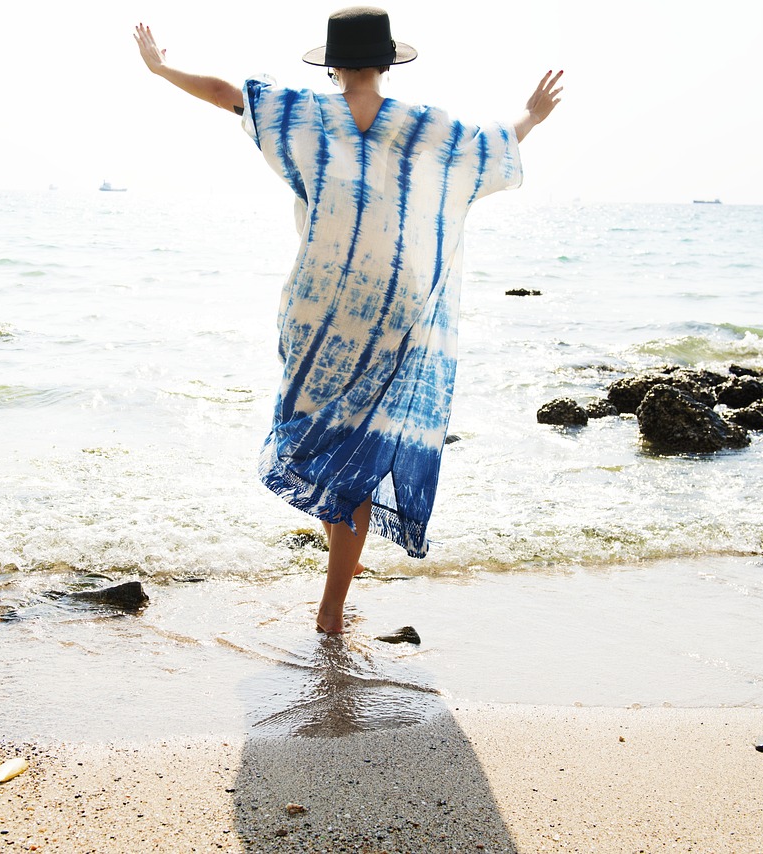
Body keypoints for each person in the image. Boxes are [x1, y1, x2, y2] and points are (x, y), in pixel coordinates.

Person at [134, 8, 562, 634]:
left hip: (318, 303)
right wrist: (534, 113)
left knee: (324, 440)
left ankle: (337, 587)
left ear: (332, 64)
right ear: (388, 62)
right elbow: (498, 141)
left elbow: (228, 94)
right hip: (395, 309)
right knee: (360, 451)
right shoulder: (427, 128)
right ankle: (338, 587)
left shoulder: (304, 113)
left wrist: (160, 66)